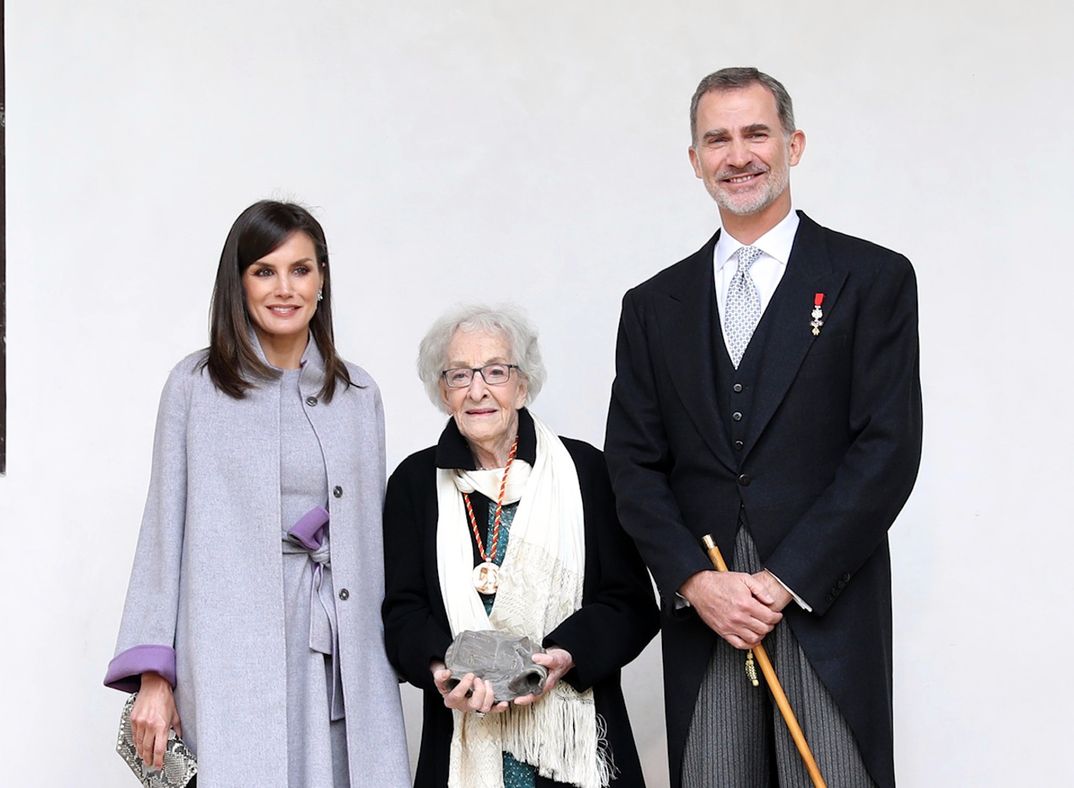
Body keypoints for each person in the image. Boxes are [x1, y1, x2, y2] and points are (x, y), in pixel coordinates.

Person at [604, 68, 922, 788]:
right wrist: (693, 580)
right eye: (717, 139)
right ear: (694, 160)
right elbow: (632, 464)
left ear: (793, 144)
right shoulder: (654, 305)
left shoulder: (872, 279)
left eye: (756, 133)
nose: (738, 154)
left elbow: (888, 450)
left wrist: (784, 581)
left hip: (824, 604)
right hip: (707, 610)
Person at [104, 200, 411, 787]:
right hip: (227, 649)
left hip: (340, 652)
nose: (284, 288)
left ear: (322, 280)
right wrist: (153, 676)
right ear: (238, 283)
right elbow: (163, 528)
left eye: (301, 269)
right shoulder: (194, 386)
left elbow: (375, 537)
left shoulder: (359, 394)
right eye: (264, 271)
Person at [382, 305, 658, 788]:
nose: (478, 389)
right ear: (442, 391)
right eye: (459, 374)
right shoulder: (413, 483)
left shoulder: (587, 471)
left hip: (573, 748)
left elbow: (631, 605)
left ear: (523, 383)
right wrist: (441, 669)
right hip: (460, 737)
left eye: (496, 371)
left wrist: (567, 655)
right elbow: (402, 611)